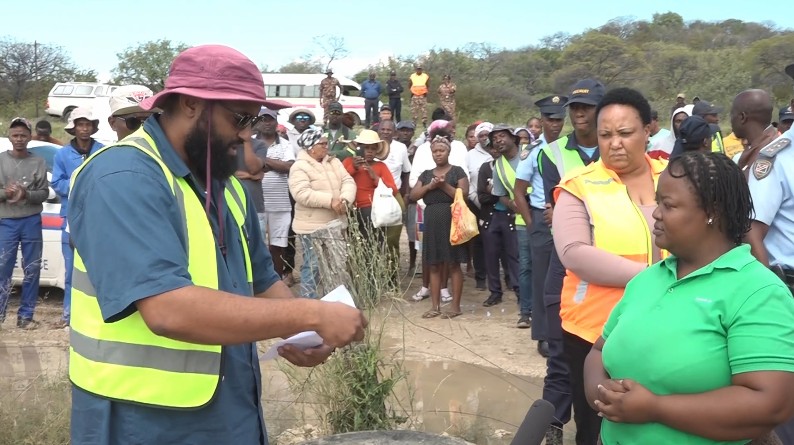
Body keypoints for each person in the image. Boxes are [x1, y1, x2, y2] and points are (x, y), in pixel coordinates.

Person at [67, 45, 367, 445]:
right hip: (139, 419)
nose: (246, 134)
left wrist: (305, 333)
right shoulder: (123, 177)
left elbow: (262, 280)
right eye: (239, 118)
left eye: (253, 120)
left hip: (228, 407)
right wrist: (311, 313)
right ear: (191, 104)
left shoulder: (226, 187)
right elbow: (166, 309)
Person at [585, 151, 794, 445]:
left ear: (712, 212)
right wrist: (602, 394)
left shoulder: (758, 292)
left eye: (668, 205)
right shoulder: (647, 279)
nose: (656, 213)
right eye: (658, 202)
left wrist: (654, 408)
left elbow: (771, 403)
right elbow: (599, 351)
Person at [553, 87, 667, 445]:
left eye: (625, 133)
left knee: (660, 420)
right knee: (598, 425)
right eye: (605, 135)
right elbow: (574, 252)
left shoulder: (676, 176)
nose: (615, 143)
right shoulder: (579, 186)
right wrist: (656, 278)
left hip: (669, 324)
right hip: (595, 332)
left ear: (647, 130)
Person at [537, 82, 603, 445]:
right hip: (566, 259)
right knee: (560, 350)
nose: (579, 113)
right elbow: (557, 210)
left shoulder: (617, 148)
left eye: (587, 107)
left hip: (611, 258)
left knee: (604, 350)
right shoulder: (552, 153)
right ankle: (554, 426)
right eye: (575, 107)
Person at [515, 95, 568, 359]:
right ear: (542, 120)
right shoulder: (533, 151)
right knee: (543, 278)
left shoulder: (569, 148)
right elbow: (519, 190)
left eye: (559, 119)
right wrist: (531, 222)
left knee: (567, 277)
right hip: (541, 220)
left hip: (568, 218)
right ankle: (544, 334)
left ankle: (565, 330)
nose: (555, 124)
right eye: (550, 119)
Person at [288, 128, 357, 299]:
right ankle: (308, 302)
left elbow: (348, 180)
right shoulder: (299, 167)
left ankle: (332, 300)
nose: (327, 146)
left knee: (335, 264)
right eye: (323, 144)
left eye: (327, 143)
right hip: (311, 226)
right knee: (313, 265)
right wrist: (330, 201)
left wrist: (345, 199)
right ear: (311, 148)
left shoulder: (334, 162)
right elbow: (301, 193)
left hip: (335, 222)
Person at [52, 107, 104, 328]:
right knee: (71, 271)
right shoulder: (62, 154)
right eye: (80, 124)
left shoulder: (102, 150)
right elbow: (57, 183)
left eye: (88, 124)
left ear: (93, 127)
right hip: (71, 219)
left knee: (99, 269)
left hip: (97, 218)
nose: (84, 128)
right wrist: (79, 185)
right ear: (73, 128)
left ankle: (98, 316)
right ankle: (69, 316)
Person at [410, 132, 469, 319]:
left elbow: (463, 195)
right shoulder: (426, 174)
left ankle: (455, 307)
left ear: (448, 152)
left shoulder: (457, 171)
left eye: (442, 150)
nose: (438, 154)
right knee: (433, 264)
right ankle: (435, 307)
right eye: (435, 151)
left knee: (453, 264)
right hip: (432, 220)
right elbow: (413, 195)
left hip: (452, 220)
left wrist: (443, 185)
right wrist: (430, 186)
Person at [0, 118, 49, 330]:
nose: (19, 139)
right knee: (3, 267)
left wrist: (26, 194)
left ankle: (26, 317)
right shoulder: (1, 160)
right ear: (9, 137)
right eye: (15, 135)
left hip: (31, 220)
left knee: (32, 268)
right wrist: (7, 193)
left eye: (23, 135)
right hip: (6, 221)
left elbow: (44, 193)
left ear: (30, 137)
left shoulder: (38, 161)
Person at [489, 124, 529, 327]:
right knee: (524, 265)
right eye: (495, 138)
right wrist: (512, 204)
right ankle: (526, 310)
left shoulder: (531, 152)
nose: (498, 140)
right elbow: (500, 194)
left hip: (544, 214)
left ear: (514, 138)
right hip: (521, 219)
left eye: (502, 136)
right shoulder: (498, 166)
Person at [253, 109, 295, 284]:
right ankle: (258, 284)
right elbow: (246, 166)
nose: (267, 122)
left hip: (280, 204)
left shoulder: (285, 144)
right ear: (257, 122)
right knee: (256, 246)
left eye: (270, 119)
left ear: (276, 122)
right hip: (255, 203)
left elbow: (289, 167)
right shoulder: (249, 142)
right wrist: (276, 164)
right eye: (263, 119)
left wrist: (262, 161)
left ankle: (276, 283)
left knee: (277, 247)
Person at [342, 130, 400, 240]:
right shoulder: (348, 162)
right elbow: (339, 182)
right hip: (350, 209)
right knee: (353, 242)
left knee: (374, 241)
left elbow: (393, 190)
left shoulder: (381, 166)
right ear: (358, 148)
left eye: (373, 149)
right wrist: (353, 168)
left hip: (373, 210)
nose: (370, 151)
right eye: (366, 148)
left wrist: (376, 178)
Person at [377, 120, 411, 266]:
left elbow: (407, 172)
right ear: (378, 131)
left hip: (394, 196)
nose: (385, 132)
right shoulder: (372, 146)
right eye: (383, 129)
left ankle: (392, 273)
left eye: (389, 130)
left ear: (394, 132)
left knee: (392, 238)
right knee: (375, 237)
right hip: (374, 197)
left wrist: (406, 195)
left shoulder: (401, 148)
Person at [466, 121, 494, 290]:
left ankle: (504, 277)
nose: (484, 138)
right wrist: (475, 199)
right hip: (475, 203)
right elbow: (467, 179)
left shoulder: (498, 151)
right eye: (481, 135)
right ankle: (481, 277)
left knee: (499, 240)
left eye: (487, 135)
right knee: (479, 242)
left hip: (496, 202)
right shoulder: (470, 155)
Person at [730, 89, 777, 175]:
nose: (731, 121)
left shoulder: (767, 155)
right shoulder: (762, 146)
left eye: (732, 115)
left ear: (742, 117)